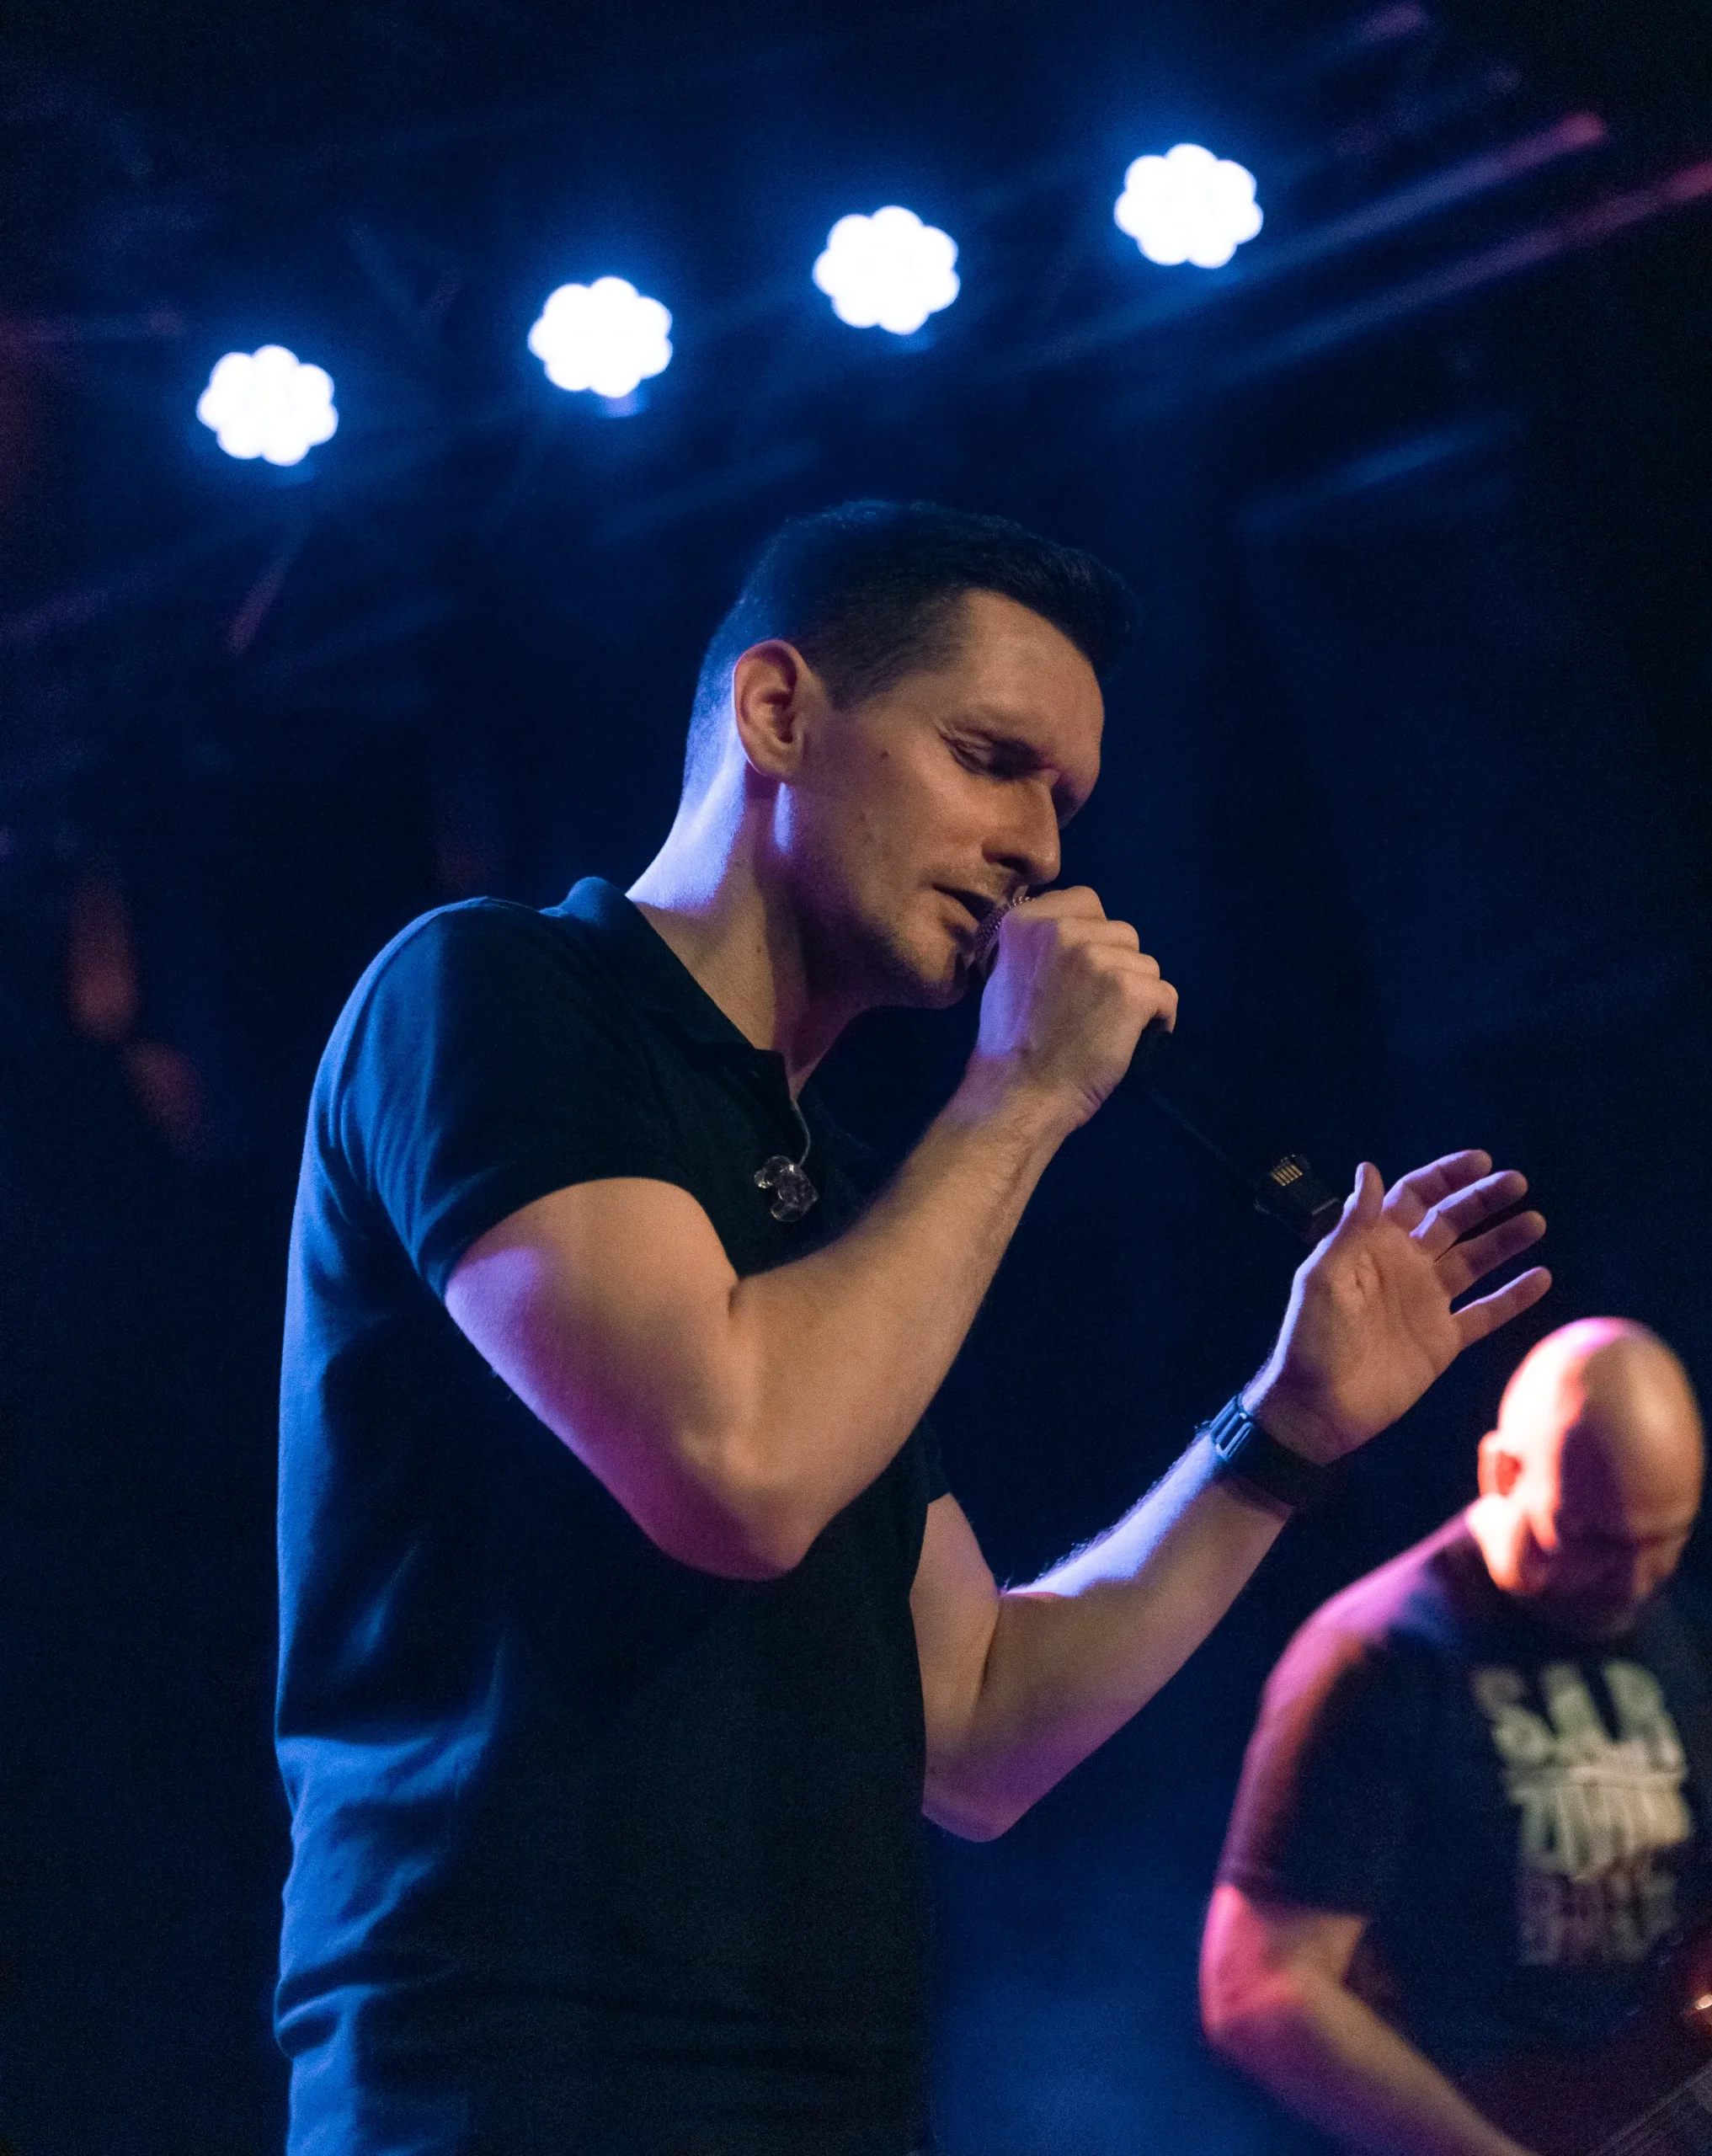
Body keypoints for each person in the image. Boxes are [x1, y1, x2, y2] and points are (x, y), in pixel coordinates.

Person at [275, 499, 1549, 2156]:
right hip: (516, 2076)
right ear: (776, 712)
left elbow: (973, 1727)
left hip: (821, 2089)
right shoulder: (495, 994)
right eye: (990, 760)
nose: (1038, 850)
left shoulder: (845, 1195)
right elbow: (734, 1468)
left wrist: (1280, 1430)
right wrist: (1018, 1096)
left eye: (1063, 801)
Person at [1201, 1318, 1708, 2156]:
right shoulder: (1383, 1656)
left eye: (1665, 1542)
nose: (1632, 1581)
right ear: (1501, 1473)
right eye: (1595, 1541)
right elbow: (1258, 1986)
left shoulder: (1681, 1635)